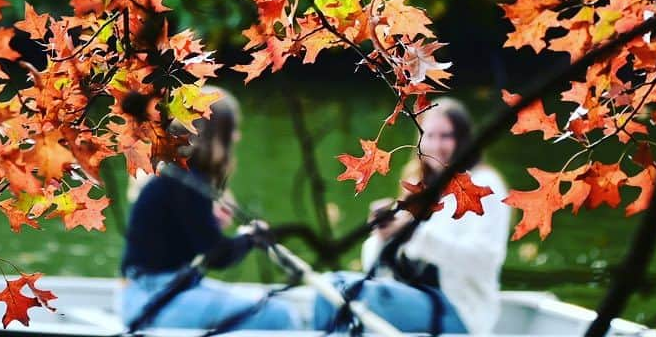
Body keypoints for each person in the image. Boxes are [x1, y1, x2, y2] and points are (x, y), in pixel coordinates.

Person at [314, 98, 510, 335]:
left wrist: (412, 234)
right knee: (329, 286)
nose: (437, 145)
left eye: (446, 136)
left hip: (459, 310)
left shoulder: (484, 185)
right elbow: (374, 267)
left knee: (347, 293)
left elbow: (484, 260)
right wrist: (384, 235)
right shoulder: (421, 188)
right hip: (412, 296)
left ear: (463, 139)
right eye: (429, 136)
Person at [118, 87, 299, 331]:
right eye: (231, 130)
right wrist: (250, 238)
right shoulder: (188, 183)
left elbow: (179, 241)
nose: (236, 138)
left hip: (148, 294)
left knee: (273, 307)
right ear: (215, 134)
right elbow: (218, 255)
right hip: (154, 303)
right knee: (280, 316)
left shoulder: (174, 175)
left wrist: (212, 224)